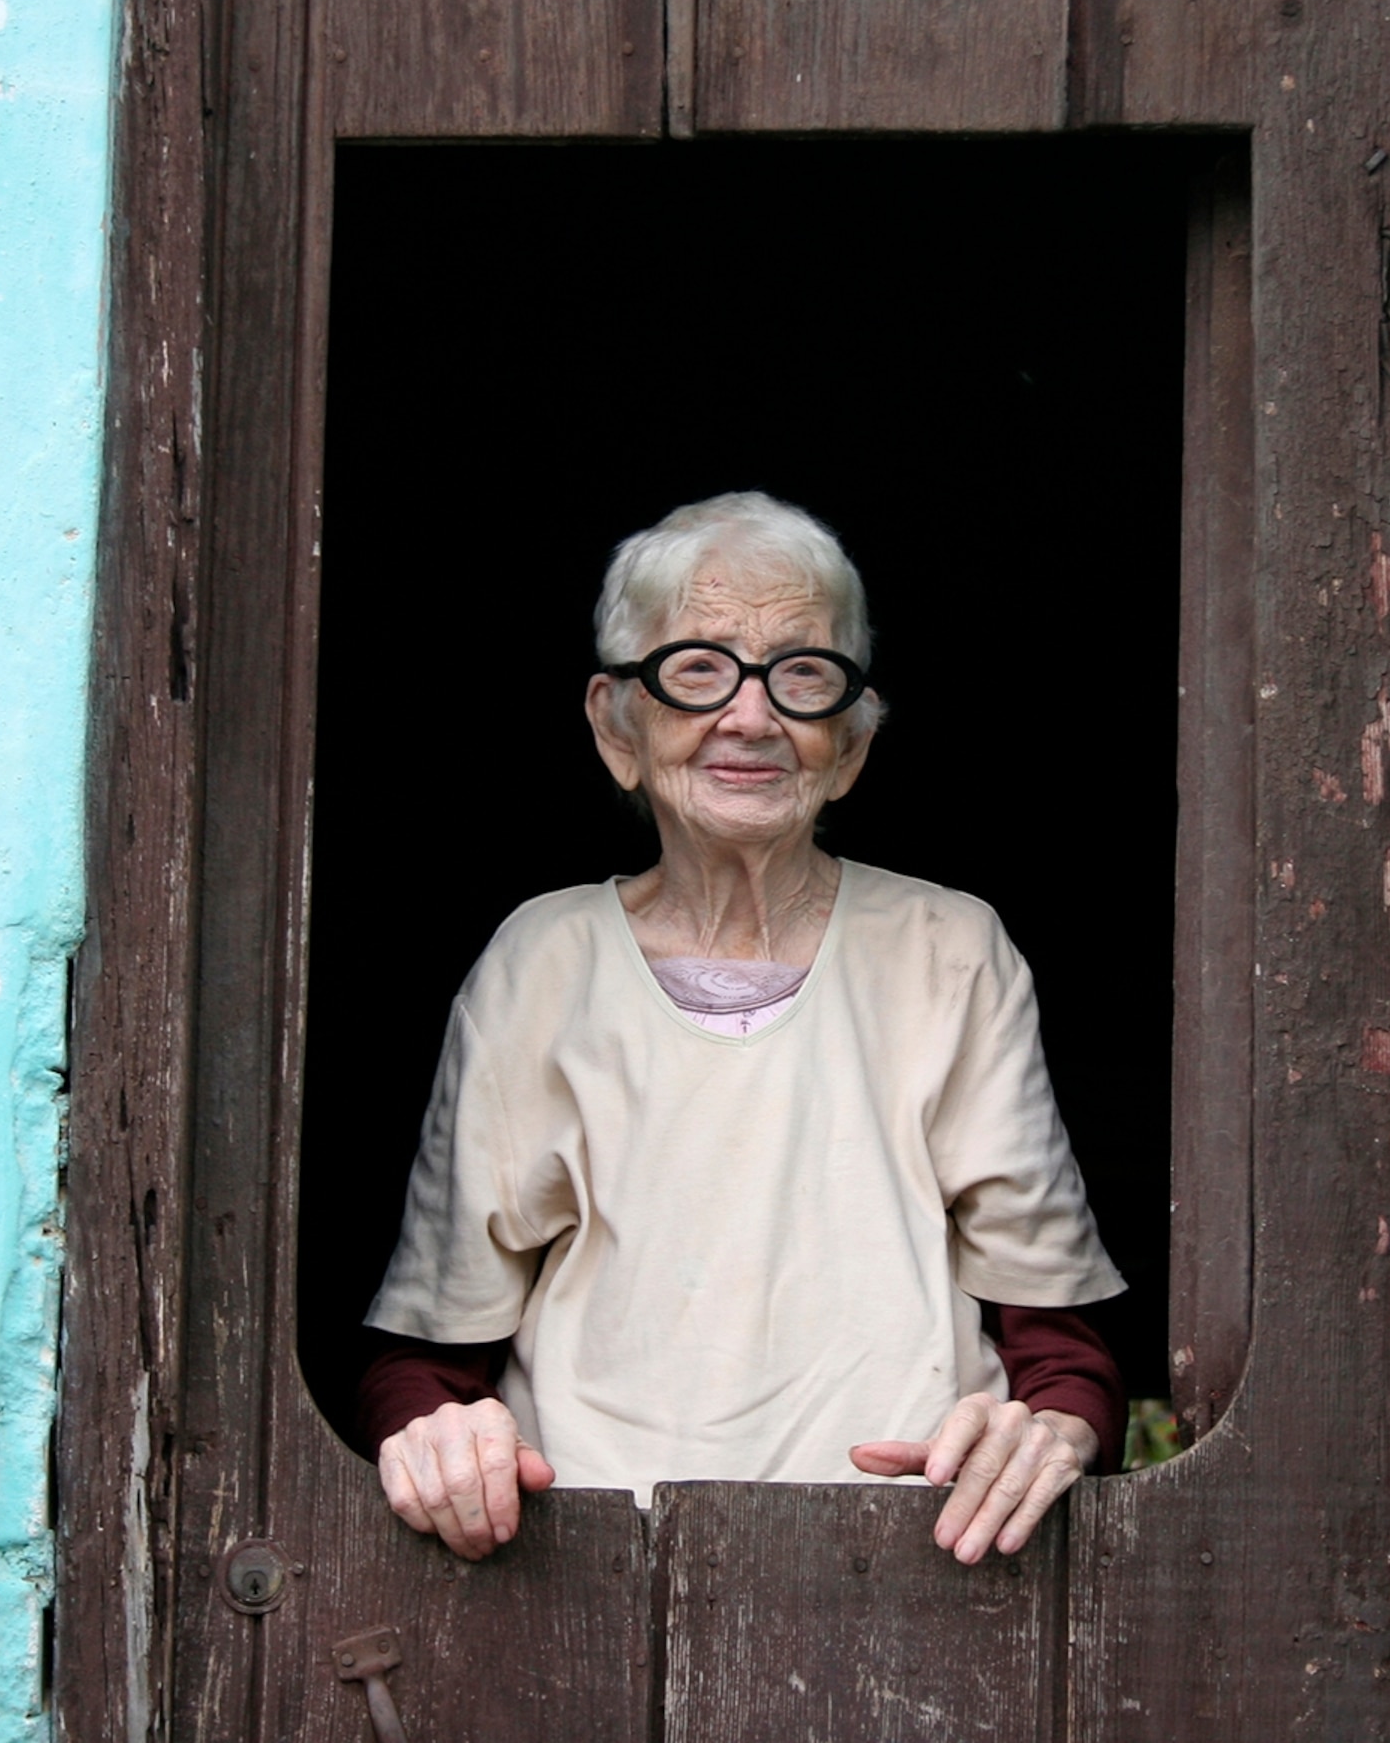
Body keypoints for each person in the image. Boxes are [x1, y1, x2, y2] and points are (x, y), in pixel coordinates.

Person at [357, 491, 1125, 1566]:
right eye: (698, 668)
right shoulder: (540, 962)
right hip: (590, 1571)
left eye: (803, 674)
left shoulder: (950, 949)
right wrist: (434, 1439)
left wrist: (1049, 1430)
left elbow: (1058, 1343)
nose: (752, 717)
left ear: (850, 743)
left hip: (915, 1556)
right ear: (616, 723)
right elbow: (429, 1360)